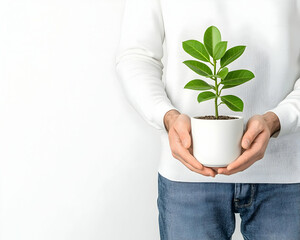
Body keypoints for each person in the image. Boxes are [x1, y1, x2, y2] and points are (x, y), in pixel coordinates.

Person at [115, 0, 300, 239]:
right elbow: (136, 55)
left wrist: (278, 120)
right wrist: (167, 116)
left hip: (287, 176)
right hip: (188, 170)